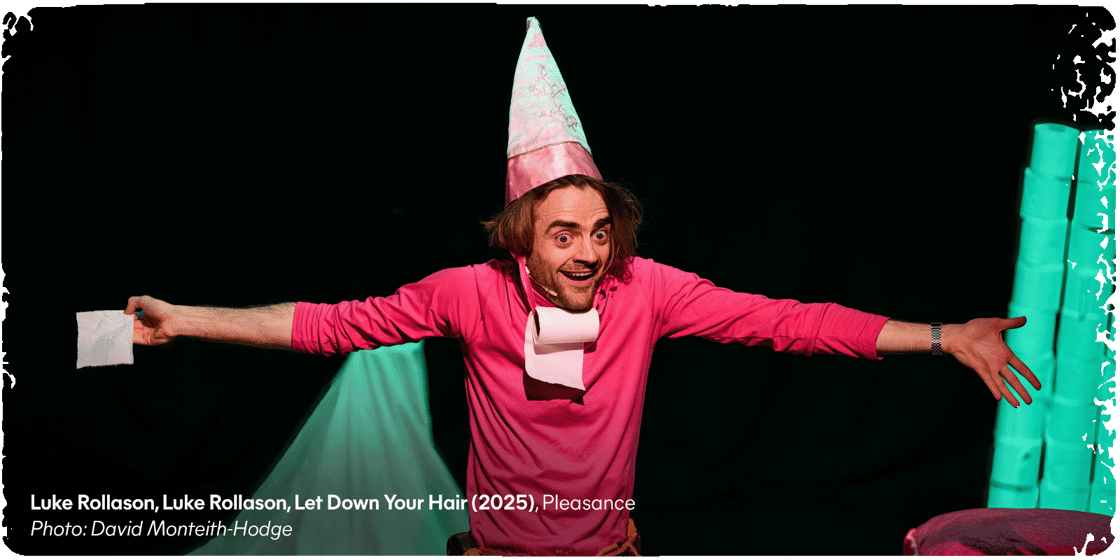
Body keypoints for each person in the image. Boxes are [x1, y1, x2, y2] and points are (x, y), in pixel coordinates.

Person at [125, 17, 1041, 557]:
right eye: (565, 234)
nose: (590, 253)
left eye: (601, 232)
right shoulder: (467, 293)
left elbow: (787, 323)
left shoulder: (646, 290)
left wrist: (943, 335)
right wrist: (181, 322)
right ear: (521, 239)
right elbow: (328, 325)